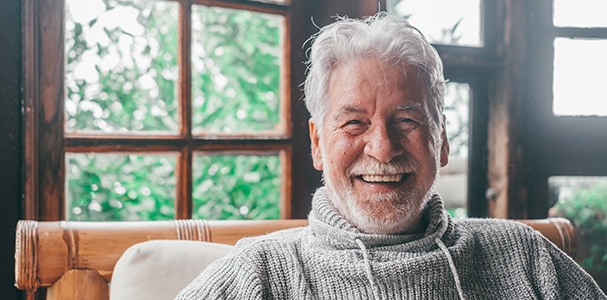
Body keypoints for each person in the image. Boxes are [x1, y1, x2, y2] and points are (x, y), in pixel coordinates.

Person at [177, 12, 606, 299]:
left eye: (407, 122)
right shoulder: (261, 273)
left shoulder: (525, 258)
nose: (382, 148)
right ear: (317, 144)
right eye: (353, 123)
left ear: (441, 141)